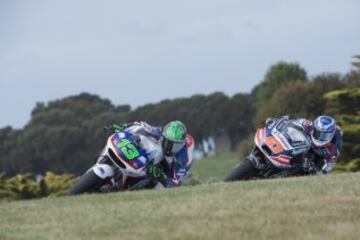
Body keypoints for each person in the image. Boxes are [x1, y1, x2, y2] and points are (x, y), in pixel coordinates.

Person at [108, 120, 194, 188]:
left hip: (168, 168)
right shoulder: (159, 132)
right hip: (149, 159)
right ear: (163, 136)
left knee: (157, 186)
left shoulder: (182, 157)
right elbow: (141, 125)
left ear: (182, 144)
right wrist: (123, 126)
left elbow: (175, 184)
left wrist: (160, 175)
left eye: (175, 146)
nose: (170, 148)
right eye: (168, 143)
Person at [265, 115, 342, 175]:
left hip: (317, 156)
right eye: (317, 133)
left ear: (330, 136)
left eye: (323, 135)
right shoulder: (310, 124)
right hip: (306, 144)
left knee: (312, 169)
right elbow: (295, 121)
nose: (319, 137)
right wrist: (279, 120)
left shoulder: (334, 148)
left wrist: (318, 171)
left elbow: (329, 165)